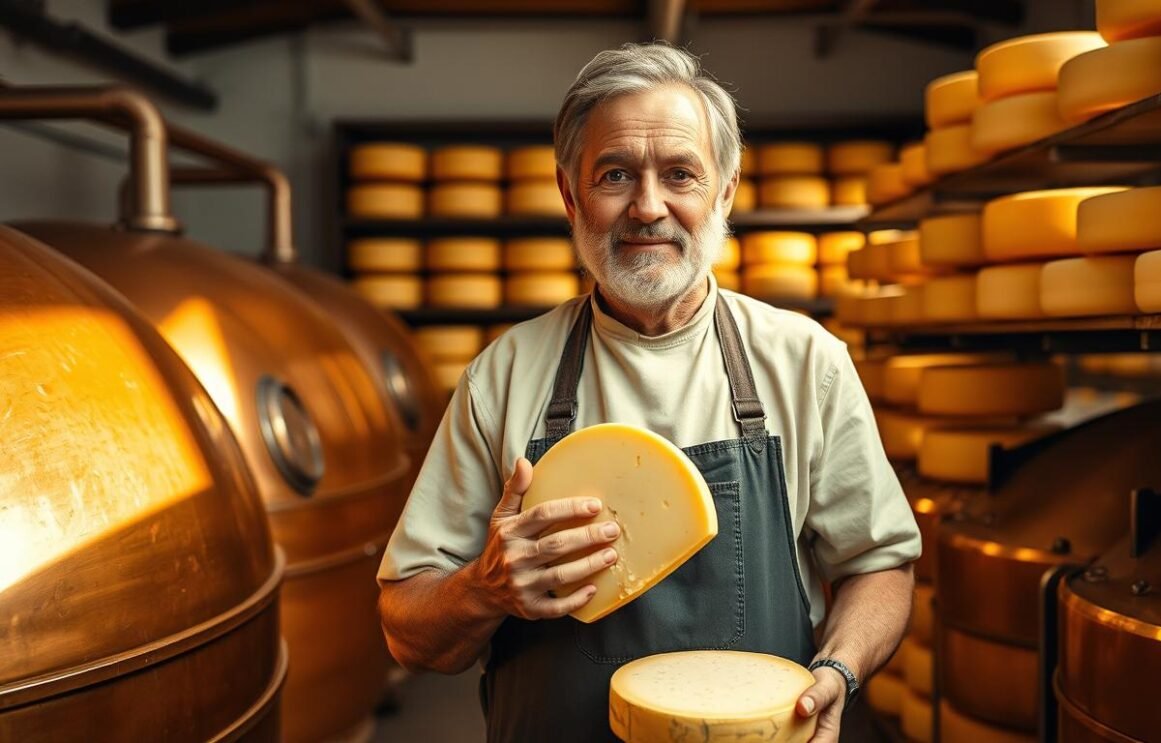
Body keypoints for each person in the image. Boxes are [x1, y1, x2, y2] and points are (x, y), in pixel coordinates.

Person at [377, 41, 921, 742]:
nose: (648, 207)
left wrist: (840, 670)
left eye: (680, 174)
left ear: (724, 191)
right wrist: (484, 587)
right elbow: (405, 628)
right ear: (570, 194)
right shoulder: (504, 375)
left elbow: (879, 564)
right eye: (615, 175)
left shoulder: (804, 362)